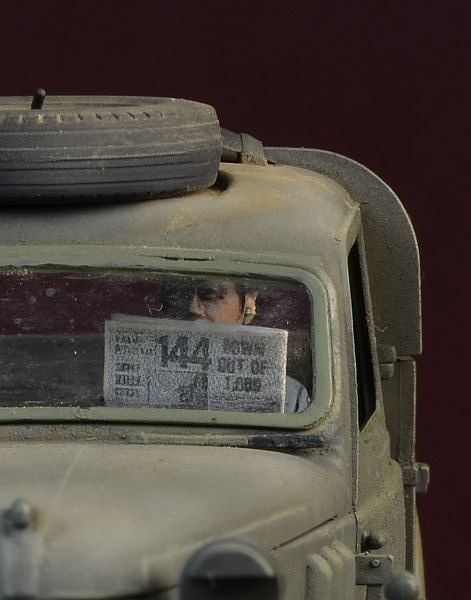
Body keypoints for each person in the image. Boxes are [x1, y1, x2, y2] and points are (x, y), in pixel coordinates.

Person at [159, 276, 310, 413]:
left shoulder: (285, 397)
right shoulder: (150, 381)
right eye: (179, 294)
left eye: (210, 294)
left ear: (248, 301)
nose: (193, 308)